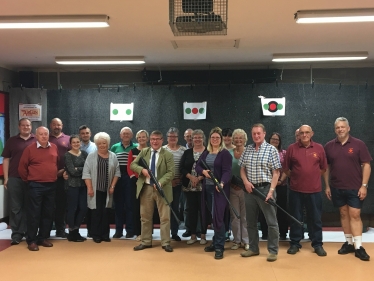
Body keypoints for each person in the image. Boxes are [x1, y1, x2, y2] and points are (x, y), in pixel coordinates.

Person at [324, 117, 371, 261]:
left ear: (348, 128)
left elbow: (367, 165)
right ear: (335, 129)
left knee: (355, 215)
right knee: (344, 214)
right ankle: (349, 243)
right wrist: (327, 186)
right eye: (338, 127)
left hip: (355, 188)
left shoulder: (359, 144)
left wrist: (364, 186)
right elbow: (326, 167)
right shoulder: (329, 146)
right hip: (337, 187)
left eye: (343, 127)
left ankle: (358, 247)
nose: (340, 129)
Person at [239, 123, 281, 262]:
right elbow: (242, 169)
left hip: (265, 189)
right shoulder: (247, 149)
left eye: (259, 133)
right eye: (254, 134)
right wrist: (245, 181)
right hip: (250, 190)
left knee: (271, 222)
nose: (256, 136)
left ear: (264, 134)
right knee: (250, 221)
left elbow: (276, 173)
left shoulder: (271, 150)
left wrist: (271, 191)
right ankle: (253, 248)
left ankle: (273, 251)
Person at [284, 125, 327, 257]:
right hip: (295, 190)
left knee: (315, 218)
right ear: (299, 134)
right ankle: (295, 243)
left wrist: (310, 177)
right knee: (296, 217)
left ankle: (317, 244)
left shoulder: (319, 148)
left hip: (314, 190)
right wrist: (298, 177)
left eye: (307, 132)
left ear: (312, 133)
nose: (304, 135)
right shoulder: (292, 148)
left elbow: (323, 169)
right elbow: (286, 169)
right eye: (302, 133)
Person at [131, 130, 175, 252]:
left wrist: (160, 182)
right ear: (150, 140)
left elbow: (171, 172)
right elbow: (133, 165)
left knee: (165, 218)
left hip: (162, 189)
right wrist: (142, 170)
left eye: (157, 139)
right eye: (152, 139)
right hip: (146, 188)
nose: (154, 141)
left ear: (162, 140)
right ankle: (145, 241)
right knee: (145, 217)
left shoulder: (168, 154)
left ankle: (165, 242)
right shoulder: (144, 152)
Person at [18, 126, 59, 251]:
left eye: (46, 134)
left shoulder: (54, 147)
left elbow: (56, 163)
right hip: (35, 185)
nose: (44, 136)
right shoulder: (29, 149)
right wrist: (29, 180)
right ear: (36, 136)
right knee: (34, 214)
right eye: (41, 134)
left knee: (47, 213)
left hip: (51, 185)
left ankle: (43, 238)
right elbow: (22, 168)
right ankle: (31, 240)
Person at [195, 127, 232, 260]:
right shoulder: (206, 153)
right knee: (213, 216)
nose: (215, 139)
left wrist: (222, 183)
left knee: (219, 217)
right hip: (208, 189)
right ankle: (216, 241)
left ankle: (219, 247)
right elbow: (198, 166)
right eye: (212, 138)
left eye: (217, 137)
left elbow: (228, 172)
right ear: (209, 139)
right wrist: (203, 172)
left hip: (219, 190)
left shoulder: (225, 153)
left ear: (221, 139)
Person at [2, 118, 36, 245]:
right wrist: (6, 178)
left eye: (28, 125)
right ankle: (16, 234)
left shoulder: (37, 140)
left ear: (31, 127)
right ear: (19, 126)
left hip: (32, 178)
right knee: (15, 207)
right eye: (23, 125)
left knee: (30, 207)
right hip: (14, 178)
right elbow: (6, 159)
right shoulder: (12, 141)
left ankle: (29, 233)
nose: (26, 127)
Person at [82, 132, 120, 243]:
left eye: (104, 143)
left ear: (108, 143)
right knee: (96, 212)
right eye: (100, 143)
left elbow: (117, 173)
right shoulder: (91, 156)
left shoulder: (113, 156)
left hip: (108, 190)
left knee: (106, 212)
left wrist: (112, 186)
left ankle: (105, 234)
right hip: (95, 190)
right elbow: (86, 173)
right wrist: (89, 188)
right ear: (97, 144)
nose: (102, 145)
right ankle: (96, 234)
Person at [259, 132, 289, 240]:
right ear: (269, 139)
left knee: (281, 210)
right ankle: (265, 233)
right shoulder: (263, 152)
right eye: (273, 139)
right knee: (265, 209)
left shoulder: (284, 153)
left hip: (281, 185)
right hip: (266, 185)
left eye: (277, 139)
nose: (275, 141)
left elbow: (286, 168)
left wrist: (280, 180)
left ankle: (283, 233)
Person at [180, 129, 206, 245]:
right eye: (195, 137)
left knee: (204, 211)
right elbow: (182, 168)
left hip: (204, 185)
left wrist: (199, 178)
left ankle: (204, 235)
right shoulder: (187, 152)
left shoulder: (208, 152)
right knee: (191, 211)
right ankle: (193, 235)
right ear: (192, 139)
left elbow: (211, 168)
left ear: (203, 138)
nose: (197, 139)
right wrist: (191, 177)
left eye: (199, 137)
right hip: (189, 186)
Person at [110, 127, 138, 238]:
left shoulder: (136, 147)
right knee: (118, 205)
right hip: (118, 177)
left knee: (130, 205)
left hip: (130, 177)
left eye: (128, 134)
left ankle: (130, 230)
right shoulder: (114, 147)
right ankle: (118, 231)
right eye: (124, 134)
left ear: (131, 135)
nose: (126, 135)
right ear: (120, 135)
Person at [163, 127, 186, 241]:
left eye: (174, 136)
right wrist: (169, 181)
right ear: (167, 138)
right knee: (165, 209)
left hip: (178, 184)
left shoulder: (183, 150)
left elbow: (185, 167)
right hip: (165, 184)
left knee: (176, 208)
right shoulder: (162, 150)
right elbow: (159, 169)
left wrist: (180, 179)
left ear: (178, 138)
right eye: (170, 136)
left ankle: (175, 232)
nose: (172, 138)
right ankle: (165, 233)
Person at [49, 117, 70, 238]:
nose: (57, 127)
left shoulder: (67, 139)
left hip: (63, 177)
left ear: (62, 126)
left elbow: (73, 157)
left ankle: (60, 230)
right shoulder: (45, 138)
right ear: (50, 125)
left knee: (62, 205)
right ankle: (46, 230)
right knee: (48, 205)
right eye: (54, 124)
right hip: (47, 178)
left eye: (59, 125)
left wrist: (64, 171)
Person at [64, 135, 88, 242]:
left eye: (78, 142)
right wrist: (80, 170)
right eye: (74, 142)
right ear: (70, 144)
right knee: (72, 209)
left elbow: (88, 168)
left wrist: (77, 168)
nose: (76, 144)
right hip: (71, 185)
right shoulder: (67, 155)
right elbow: (71, 172)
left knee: (83, 208)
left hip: (83, 185)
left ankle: (76, 229)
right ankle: (72, 232)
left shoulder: (84, 154)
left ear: (80, 143)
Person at [127, 129, 149, 242]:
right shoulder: (133, 151)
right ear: (137, 139)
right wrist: (134, 179)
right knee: (136, 208)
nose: (141, 139)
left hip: (148, 182)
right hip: (135, 183)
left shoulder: (151, 151)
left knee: (147, 209)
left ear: (147, 138)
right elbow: (129, 167)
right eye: (139, 137)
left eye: (143, 137)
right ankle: (138, 233)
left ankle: (147, 233)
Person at [228, 129, 249, 250]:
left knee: (245, 216)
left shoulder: (249, 152)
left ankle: (245, 241)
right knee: (235, 215)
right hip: (231, 188)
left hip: (245, 189)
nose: (238, 140)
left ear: (245, 139)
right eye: (236, 137)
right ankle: (236, 240)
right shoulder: (228, 153)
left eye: (241, 138)